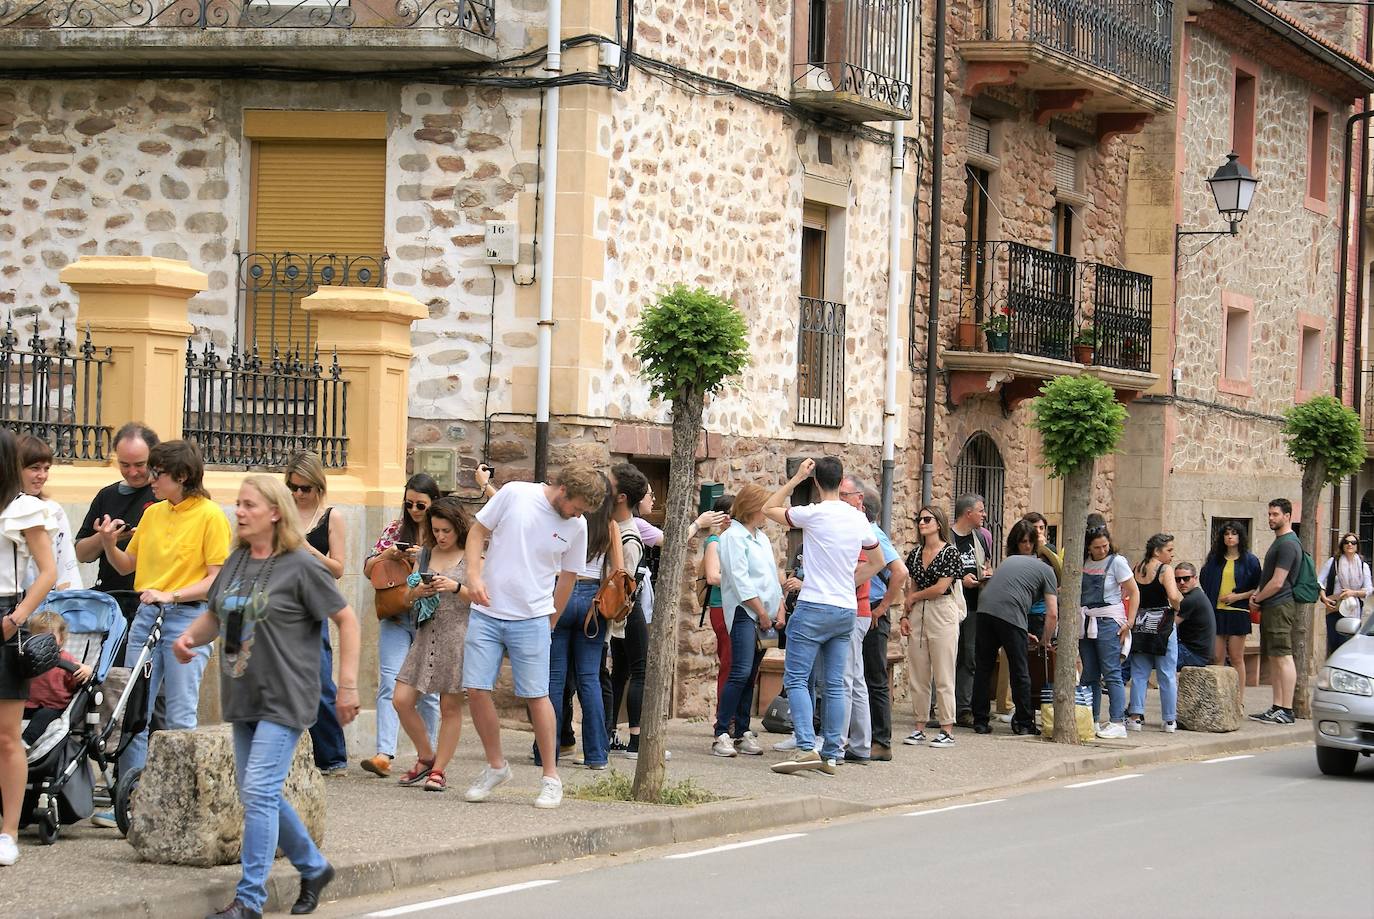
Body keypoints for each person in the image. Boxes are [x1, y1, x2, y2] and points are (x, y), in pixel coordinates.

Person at [172, 476, 360, 919]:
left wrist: (348, 685)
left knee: (257, 790)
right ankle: (314, 867)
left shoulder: (300, 565)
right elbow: (218, 617)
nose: (238, 511)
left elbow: (347, 621)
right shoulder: (236, 561)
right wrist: (188, 640)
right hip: (243, 694)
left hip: (287, 695)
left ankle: (249, 901)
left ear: (274, 512)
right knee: (258, 792)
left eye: (249, 505)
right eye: (237, 504)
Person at [462, 463, 604, 809]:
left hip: (533, 616)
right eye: (577, 506)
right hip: (487, 610)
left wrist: (552, 619)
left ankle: (551, 777)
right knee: (476, 690)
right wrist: (474, 577)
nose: (578, 514)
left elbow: (569, 577)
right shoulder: (514, 494)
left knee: (537, 695)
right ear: (564, 490)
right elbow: (477, 532)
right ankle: (496, 766)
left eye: (583, 511)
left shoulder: (578, 525)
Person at [97, 439, 231, 777]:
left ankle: (177, 795)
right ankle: (129, 797)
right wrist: (109, 544)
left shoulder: (211, 516)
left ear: (182, 475)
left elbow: (215, 580)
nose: (149, 480)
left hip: (188, 619)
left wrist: (170, 595)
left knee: (179, 715)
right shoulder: (153, 513)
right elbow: (127, 565)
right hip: (146, 617)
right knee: (133, 711)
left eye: (157, 474)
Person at [765, 457, 883, 775]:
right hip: (845, 608)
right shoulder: (858, 519)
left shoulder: (812, 514)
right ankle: (831, 753)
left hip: (814, 604)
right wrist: (850, 581)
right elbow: (877, 561)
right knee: (834, 684)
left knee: (797, 678)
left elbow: (768, 508)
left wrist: (794, 481)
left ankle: (806, 747)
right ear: (842, 479)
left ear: (816, 482)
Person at [359, 473, 442, 778]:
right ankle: (384, 753)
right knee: (389, 683)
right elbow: (368, 569)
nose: (414, 511)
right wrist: (389, 553)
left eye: (421, 505)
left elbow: (458, 567)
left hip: (428, 619)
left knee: (429, 691)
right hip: (396, 614)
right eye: (409, 504)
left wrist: (426, 557)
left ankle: (429, 755)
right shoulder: (395, 528)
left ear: (434, 503)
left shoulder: (441, 533)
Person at [0, 428, 56, 867]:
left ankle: (10, 830)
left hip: (5, 616)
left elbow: (48, 572)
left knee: (6, 735)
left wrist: (15, 619)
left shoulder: (24, 510)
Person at [543, 471, 622, 772]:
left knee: (554, 677)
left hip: (559, 592)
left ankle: (545, 752)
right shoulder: (609, 526)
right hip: (593, 601)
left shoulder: (567, 520)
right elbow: (619, 572)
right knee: (590, 679)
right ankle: (597, 755)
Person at [393, 497, 472, 792]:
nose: (440, 536)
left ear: (458, 528)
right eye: (436, 530)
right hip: (426, 635)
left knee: (450, 707)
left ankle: (439, 770)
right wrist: (418, 591)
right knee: (401, 699)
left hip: (457, 636)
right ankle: (426, 755)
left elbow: (483, 597)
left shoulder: (471, 555)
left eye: (446, 531)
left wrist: (456, 587)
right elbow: (405, 597)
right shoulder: (425, 554)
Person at [284, 451, 350, 777]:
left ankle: (333, 757)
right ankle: (294, 756)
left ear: (318, 486)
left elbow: (338, 569)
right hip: (282, 604)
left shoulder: (330, 517)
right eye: (292, 487)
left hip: (314, 606)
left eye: (304, 488)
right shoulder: (280, 513)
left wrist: (308, 549)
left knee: (321, 683)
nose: (298, 494)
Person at [711, 484, 781, 758]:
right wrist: (762, 612)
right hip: (745, 612)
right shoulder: (733, 537)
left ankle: (742, 729)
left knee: (751, 674)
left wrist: (778, 608)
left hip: (765, 613)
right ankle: (721, 731)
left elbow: (771, 576)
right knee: (739, 672)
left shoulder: (760, 537)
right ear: (753, 508)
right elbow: (740, 580)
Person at [970, 520, 1057, 736]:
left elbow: (1003, 598)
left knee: (983, 668)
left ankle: (980, 720)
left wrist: (1020, 630)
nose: (1026, 545)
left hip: (985, 611)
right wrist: (1045, 641)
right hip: (1009, 616)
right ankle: (1025, 722)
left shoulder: (1007, 562)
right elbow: (1053, 613)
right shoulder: (1047, 571)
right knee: (1020, 670)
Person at [75, 422, 159, 620]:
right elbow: (82, 554)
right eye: (124, 465)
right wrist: (104, 539)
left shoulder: (165, 496)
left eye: (140, 465)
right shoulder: (107, 495)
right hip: (112, 600)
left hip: (151, 600)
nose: (132, 472)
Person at [900, 505, 963, 748]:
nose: (922, 523)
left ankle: (947, 728)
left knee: (944, 672)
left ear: (939, 523)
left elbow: (940, 587)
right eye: (920, 519)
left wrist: (913, 599)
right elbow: (911, 586)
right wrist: (905, 616)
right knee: (918, 671)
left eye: (927, 519)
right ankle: (919, 725)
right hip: (918, 613)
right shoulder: (915, 554)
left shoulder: (950, 553)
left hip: (941, 610)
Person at [835, 474, 883, 764]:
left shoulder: (858, 526)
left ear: (858, 499)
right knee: (853, 678)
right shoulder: (851, 523)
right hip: (857, 609)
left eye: (843, 495)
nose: (838, 500)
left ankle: (843, 744)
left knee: (847, 678)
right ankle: (859, 743)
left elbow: (865, 568)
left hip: (856, 609)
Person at [1079, 525, 1138, 739]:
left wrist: (1129, 622)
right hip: (1086, 621)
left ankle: (1117, 722)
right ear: (1088, 547)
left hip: (1108, 622)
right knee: (1089, 674)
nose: (1102, 550)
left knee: (1111, 672)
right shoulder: (1083, 562)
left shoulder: (1117, 562)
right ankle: (1091, 719)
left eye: (1105, 546)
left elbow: (1134, 591)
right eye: (1097, 547)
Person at [861, 488, 906, 761]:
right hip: (865, 609)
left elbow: (900, 572)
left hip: (873, 612)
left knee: (875, 677)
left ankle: (881, 741)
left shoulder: (874, 535)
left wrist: (882, 607)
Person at [1248, 499, 1301, 725]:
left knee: (1283, 656)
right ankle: (1277, 706)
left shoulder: (1288, 544)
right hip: (1272, 605)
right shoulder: (1280, 541)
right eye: (1269, 514)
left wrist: (1257, 598)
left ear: (1287, 516)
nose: (1271, 518)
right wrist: (1258, 596)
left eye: (1275, 514)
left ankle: (1287, 710)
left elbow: (1278, 581)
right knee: (1275, 657)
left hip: (1280, 604)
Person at [1198, 521, 1261, 706]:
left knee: (1235, 657)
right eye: (1226, 533)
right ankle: (1219, 698)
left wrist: (1237, 597)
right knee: (1216, 656)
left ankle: (1238, 700)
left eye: (1234, 533)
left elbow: (1256, 587)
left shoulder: (1250, 560)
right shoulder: (1214, 560)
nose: (1230, 537)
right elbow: (1205, 579)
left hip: (1238, 612)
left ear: (1240, 537)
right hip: (1216, 612)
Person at [1127, 534, 1183, 733]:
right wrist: (1177, 606)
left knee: (1139, 673)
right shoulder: (1164, 569)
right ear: (1157, 551)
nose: (1172, 554)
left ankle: (1135, 716)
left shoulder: (1137, 567)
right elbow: (1173, 596)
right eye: (1169, 550)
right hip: (1163, 625)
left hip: (1141, 624)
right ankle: (1169, 719)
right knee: (1166, 673)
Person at [17, 436, 82, 591]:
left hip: (45, 604)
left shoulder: (53, 511)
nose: (42, 475)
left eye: (46, 468)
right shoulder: (5, 510)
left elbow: (66, 562)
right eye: (35, 468)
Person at [20, 609, 94, 744]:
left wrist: (87, 670)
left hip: (54, 706)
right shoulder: (27, 657)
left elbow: (80, 674)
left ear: (61, 638)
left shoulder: (65, 659)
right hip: (28, 703)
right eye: (38, 637)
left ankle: (25, 742)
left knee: (42, 717)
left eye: (49, 637)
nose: (43, 642)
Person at [950, 493, 993, 727]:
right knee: (946, 656)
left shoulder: (981, 538)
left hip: (974, 605)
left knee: (969, 657)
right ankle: (940, 707)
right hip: (950, 604)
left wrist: (986, 575)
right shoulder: (946, 537)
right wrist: (960, 579)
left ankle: (963, 708)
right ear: (968, 513)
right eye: (981, 510)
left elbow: (985, 564)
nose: (984, 515)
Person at [1022, 511, 1063, 705]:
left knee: (1042, 657)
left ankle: (1042, 700)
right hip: (1023, 611)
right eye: (1034, 528)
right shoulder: (1022, 549)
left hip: (1040, 611)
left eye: (1041, 528)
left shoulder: (1049, 550)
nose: (1038, 531)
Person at [702, 495, 734, 708]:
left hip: (736, 605)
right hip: (721, 605)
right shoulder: (714, 542)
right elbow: (713, 577)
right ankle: (724, 717)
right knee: (728, 662)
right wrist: (741, 580)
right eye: (730, 514)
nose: (733, 519)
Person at [1318, 532, 1371, 655]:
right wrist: (1324, 598)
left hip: (1353, 608)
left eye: (1353, 542)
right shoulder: (1333, 562)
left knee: (1348, 643)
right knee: (1334, 643)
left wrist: (1353, 592)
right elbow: (1319, 581)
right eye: (1346, 542)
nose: (1350, 545)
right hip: (1334, 607)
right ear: (1342, 545)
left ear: (1357, 546)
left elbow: (1368, 589)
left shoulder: (1363, 566)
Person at [1174, 563, 1216, 669]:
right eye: (1178, 579)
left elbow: (1170, 626)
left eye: (1186, 578)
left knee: (1145, 656)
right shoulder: (1198, 595)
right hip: (1199, 654)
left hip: (1193, 655)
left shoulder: (1191, 600)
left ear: (1195, 578)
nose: (1182, 582)